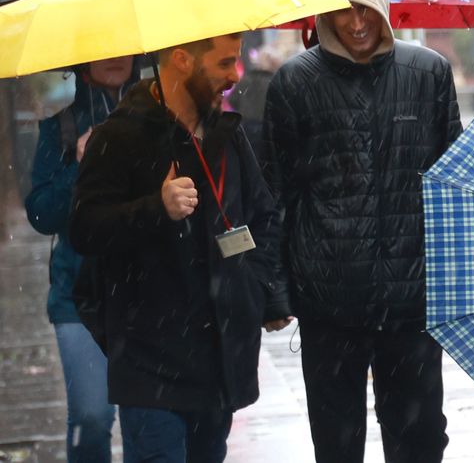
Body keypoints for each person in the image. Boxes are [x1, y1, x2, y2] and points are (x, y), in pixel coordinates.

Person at [262, 0, 462, 463]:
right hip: (328, 300)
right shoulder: (294, 84)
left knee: (418, 439)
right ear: (323, 13)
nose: (355, 23)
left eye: (365, 7)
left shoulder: (427, 74)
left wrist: (457, 279)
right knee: (336, 442)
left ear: (382, 5)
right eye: (341, 9)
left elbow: (453, 187)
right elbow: (277, 195)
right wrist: (276, 290)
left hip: (412, 298)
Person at [68, 33, 289, 463]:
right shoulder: (120, 135)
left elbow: (263, 217)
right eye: (224, 63)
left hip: (218, 356)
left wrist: (258, 292)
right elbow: (84, 228)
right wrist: (156, 208)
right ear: (183, 61)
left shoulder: (227, 135)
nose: (233, 75)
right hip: (150, 359)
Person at [25, 56, 138, 462]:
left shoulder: (160, 119)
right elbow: (42, 214)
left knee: (150, 421)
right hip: (78, 294)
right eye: (103, 50)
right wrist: (78, 163)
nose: (115, 58)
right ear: (84, 60)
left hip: (149, 295)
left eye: (122, 47)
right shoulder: (61, 127)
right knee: (91, 418)